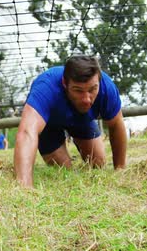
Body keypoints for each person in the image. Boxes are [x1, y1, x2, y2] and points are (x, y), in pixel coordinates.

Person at [14, 55, 127, 188]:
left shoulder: (107, 87)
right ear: (64, 83)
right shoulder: (46, 86)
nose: (87, 99)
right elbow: (27, 131)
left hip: (83, 120)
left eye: (92, 90)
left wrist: (120, 170)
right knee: (64, 169)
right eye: (78, 91)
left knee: (98, 163)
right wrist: (25, 186)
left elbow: (116, 125)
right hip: (50, 125)